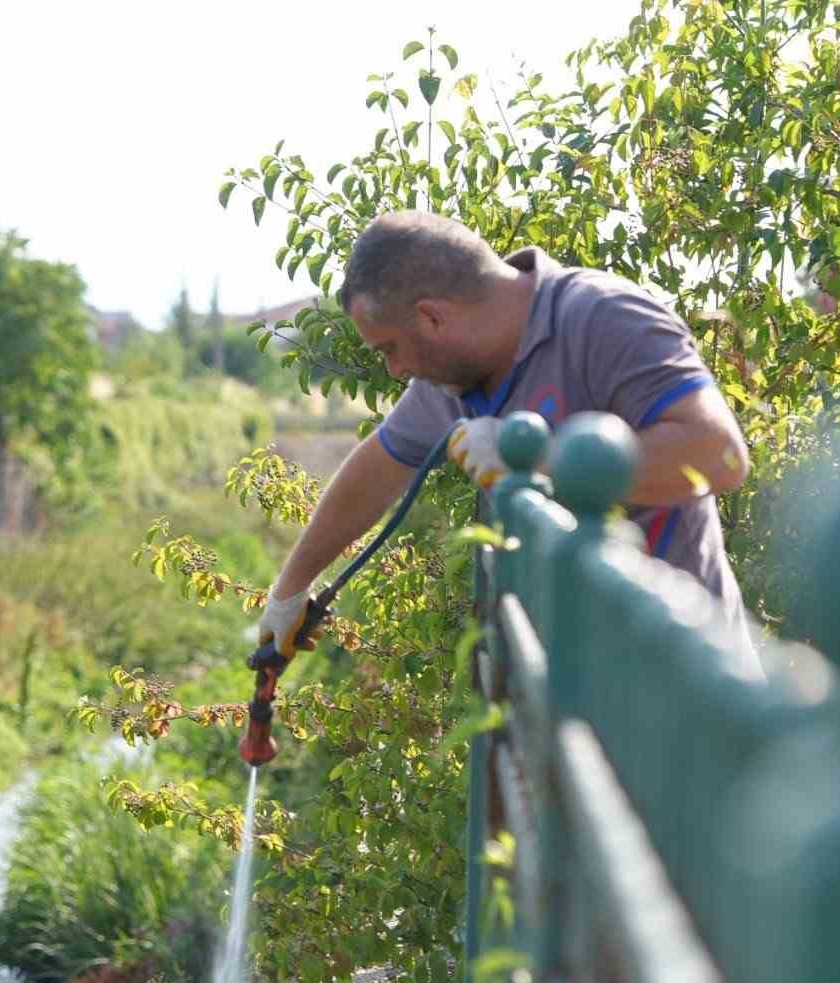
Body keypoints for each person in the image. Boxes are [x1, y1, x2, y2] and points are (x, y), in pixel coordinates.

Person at [256, 210, 758, 666]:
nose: (395, 368)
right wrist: (290, 590)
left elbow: (720, 456)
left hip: (689, 681)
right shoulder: (453, 378)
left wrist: (544, 460)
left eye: (390, 349)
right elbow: (379, 468)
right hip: (573, 693)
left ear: (432, 317)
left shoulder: (602, 317)